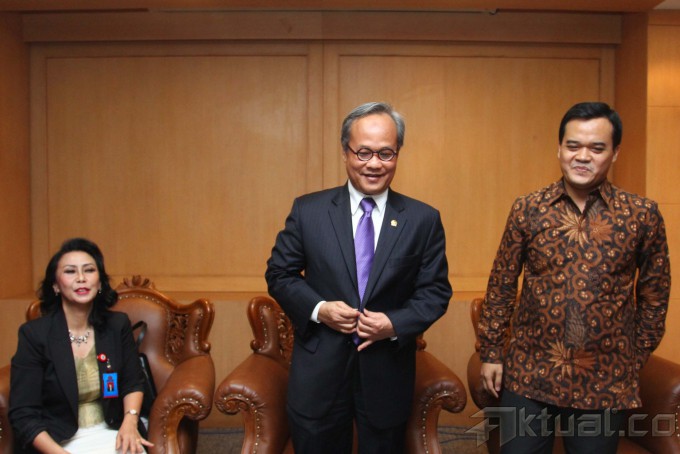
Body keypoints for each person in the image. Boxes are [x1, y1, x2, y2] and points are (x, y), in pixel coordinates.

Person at [478, 102, 671, 453]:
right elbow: (501, 284)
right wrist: (491, 352)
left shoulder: (641, 215)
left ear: (614, 153)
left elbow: (655, 295)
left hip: (604, 379)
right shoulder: (528, 208)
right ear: (559, 149)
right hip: (529, 374)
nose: (582, 157)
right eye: (573, 146)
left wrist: (633, 356)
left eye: (596, 148)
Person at [265, 101, 452, 453]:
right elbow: (279, 274)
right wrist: (320, 309)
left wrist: (393, 324)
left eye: (386, 153)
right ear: (345, 152)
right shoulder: (309, 211)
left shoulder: (422, 220)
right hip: (319, 373)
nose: (374, 164)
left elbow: (435, 292)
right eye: (363, 152)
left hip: (386, 374)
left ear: (397, 154)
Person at [9, 238, 154, 454]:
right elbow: (23, 413)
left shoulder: (117, 325)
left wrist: (130, 423)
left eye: (89, 270)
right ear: (55, 285)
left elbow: (132, 383)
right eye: (70, 271)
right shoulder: (34, 334)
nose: (81, 278)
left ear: (100, 282)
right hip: (57, 439)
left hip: (114, 428)